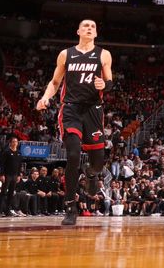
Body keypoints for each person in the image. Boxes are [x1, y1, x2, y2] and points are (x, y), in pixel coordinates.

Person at [36, 18, 114, 227]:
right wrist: (45, 98)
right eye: (86, 26)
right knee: (72, 155)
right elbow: (55, 82)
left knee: (97, 162)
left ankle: (90, 174)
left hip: (93, 110)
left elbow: (109, 82)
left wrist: (103, 84)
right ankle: (70, 206)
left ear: (96, 33)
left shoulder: (104, 54)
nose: (89, 28)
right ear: (78, 30)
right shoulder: (66, 54)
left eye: (93, 27)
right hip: (71, 109)